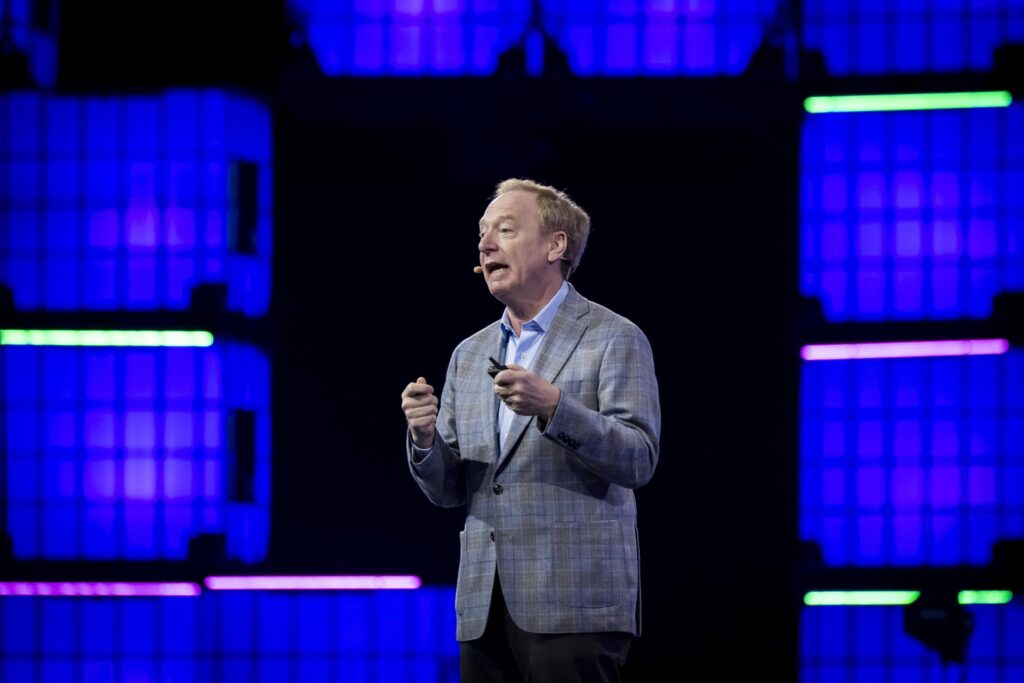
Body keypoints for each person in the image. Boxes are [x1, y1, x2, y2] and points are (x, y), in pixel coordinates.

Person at [400, 178, 661, 682]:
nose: (485, 244)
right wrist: (424, 438)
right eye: (482, 233)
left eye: (504, 229)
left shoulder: (613, 337)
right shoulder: (469, 354)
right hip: (484, 607)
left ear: (555, 245)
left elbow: (638, 458)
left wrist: (556, 408)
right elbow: (449, 490)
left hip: (575, 605)